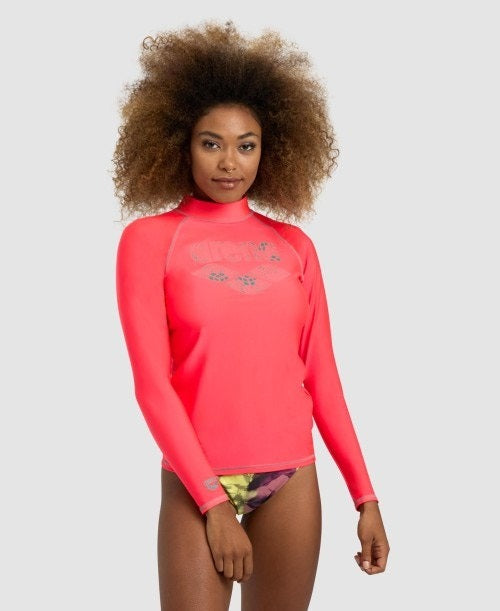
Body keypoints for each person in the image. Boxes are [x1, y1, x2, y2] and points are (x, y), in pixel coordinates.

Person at [113, 20, 390, 610]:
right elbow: (151, 385)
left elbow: (323, 379)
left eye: (247, 145)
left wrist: (365, 496)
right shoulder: (150, 240)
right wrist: (213, 503)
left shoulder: (294, 246)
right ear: (180, 144)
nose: (229, 162)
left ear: (271, 149)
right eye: (210, 143)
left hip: (291, 477)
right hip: (196, 480)